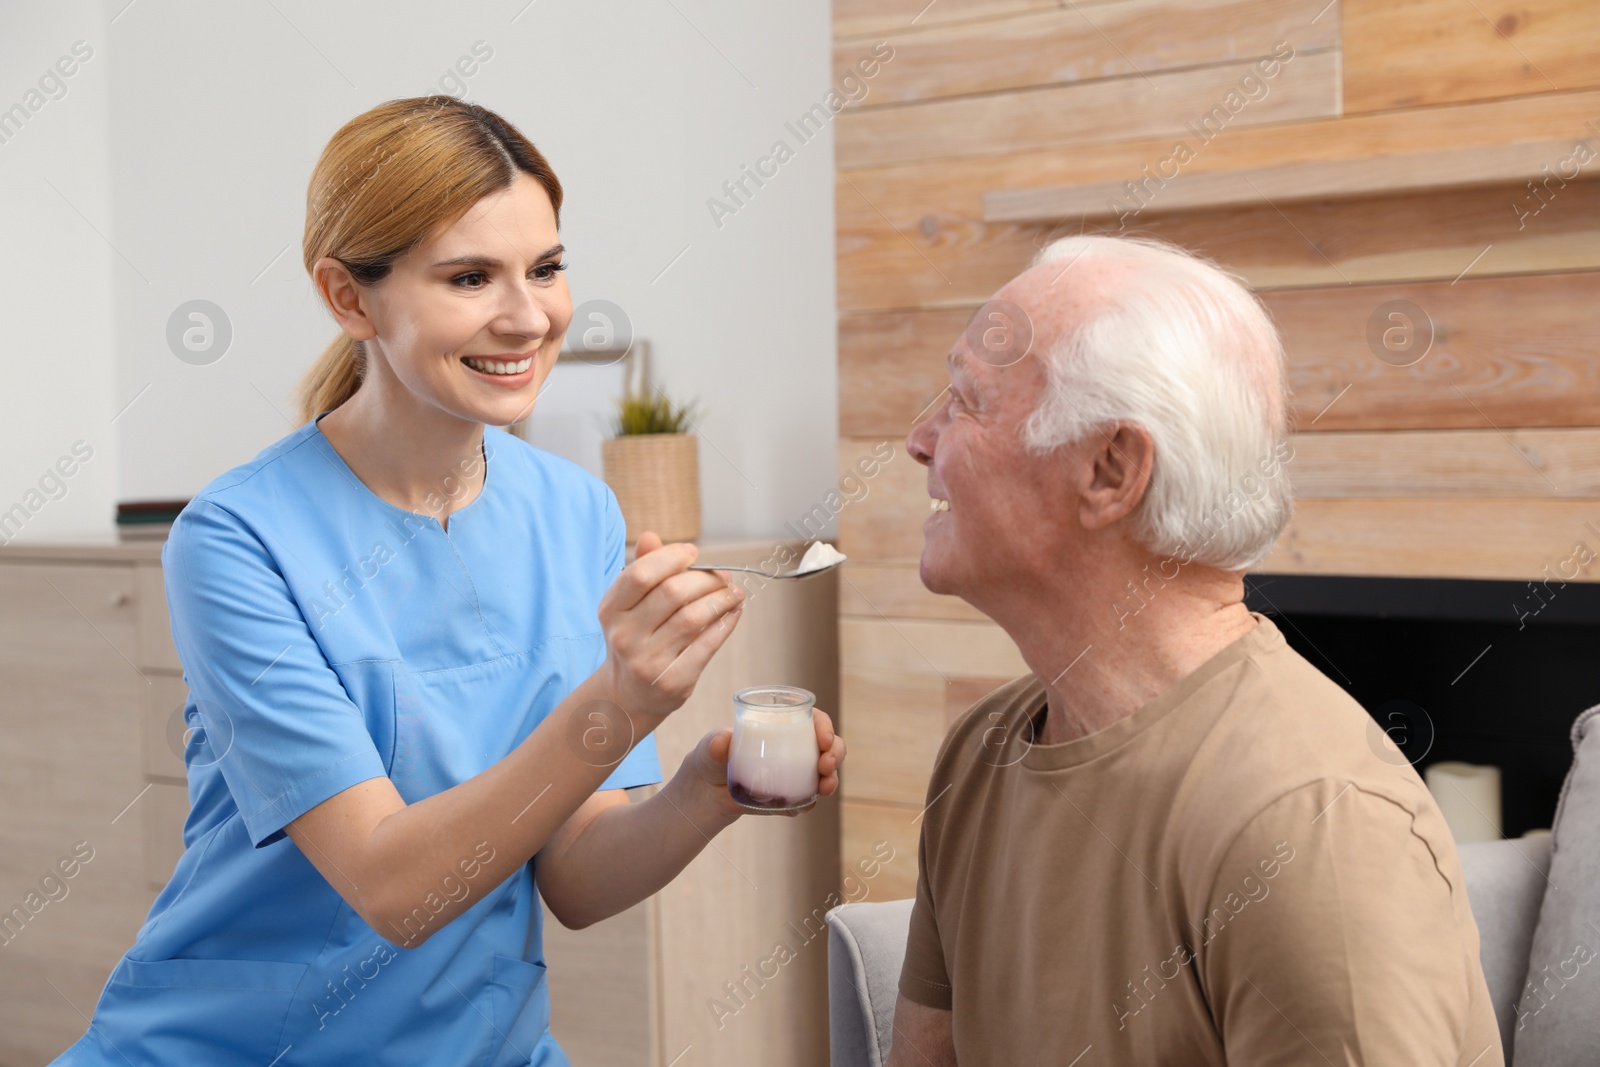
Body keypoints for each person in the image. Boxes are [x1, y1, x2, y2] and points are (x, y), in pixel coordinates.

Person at [53, 96, 846, 1066]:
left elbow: (574, 878)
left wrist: (701, 789)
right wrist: (617, 702)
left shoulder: (574, 512)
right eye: (471, 276)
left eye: (546, 268)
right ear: (349, 298)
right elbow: (395, 889)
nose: (529, 315)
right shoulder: (235, 539)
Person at [886, 235, 1500, 1065]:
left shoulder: (1313, 826)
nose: (921, 439)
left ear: (1110, 470)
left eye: (965, 401)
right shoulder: (978, 758)